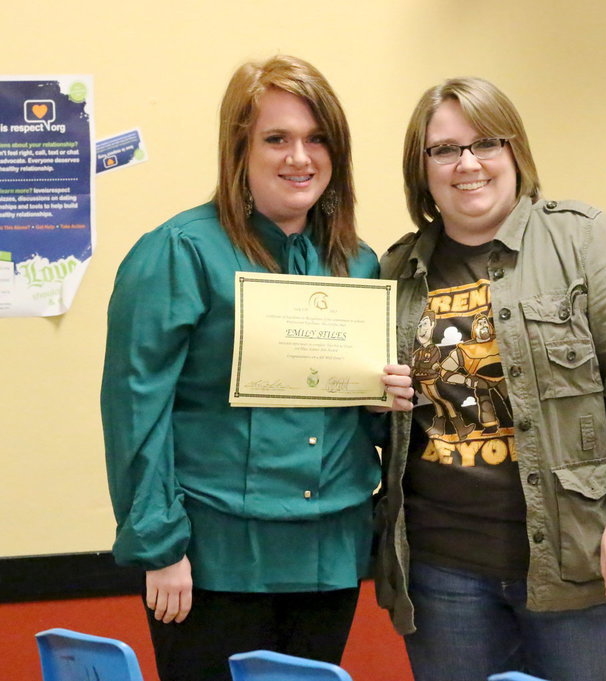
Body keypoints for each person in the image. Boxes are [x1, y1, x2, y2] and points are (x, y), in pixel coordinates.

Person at [101, 55, 412, 681]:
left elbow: (361, 427)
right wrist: (160, 549)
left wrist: (385, 405)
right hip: (213, 558)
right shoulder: (179, 252)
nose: (300, 156)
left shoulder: (358, 264)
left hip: (328, 552)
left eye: (317, 138)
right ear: (238, 149)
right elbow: (137, 410)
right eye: (277, 138)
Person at [375, 76, 606, 681]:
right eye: (444, 149)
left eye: (486, 143)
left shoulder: (582, 237)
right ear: (423, 170)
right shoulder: (396, 272)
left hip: (588, 560)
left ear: (515, 151)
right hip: (444, 574)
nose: (468, 163)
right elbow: (385, 419)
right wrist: (377, 399)